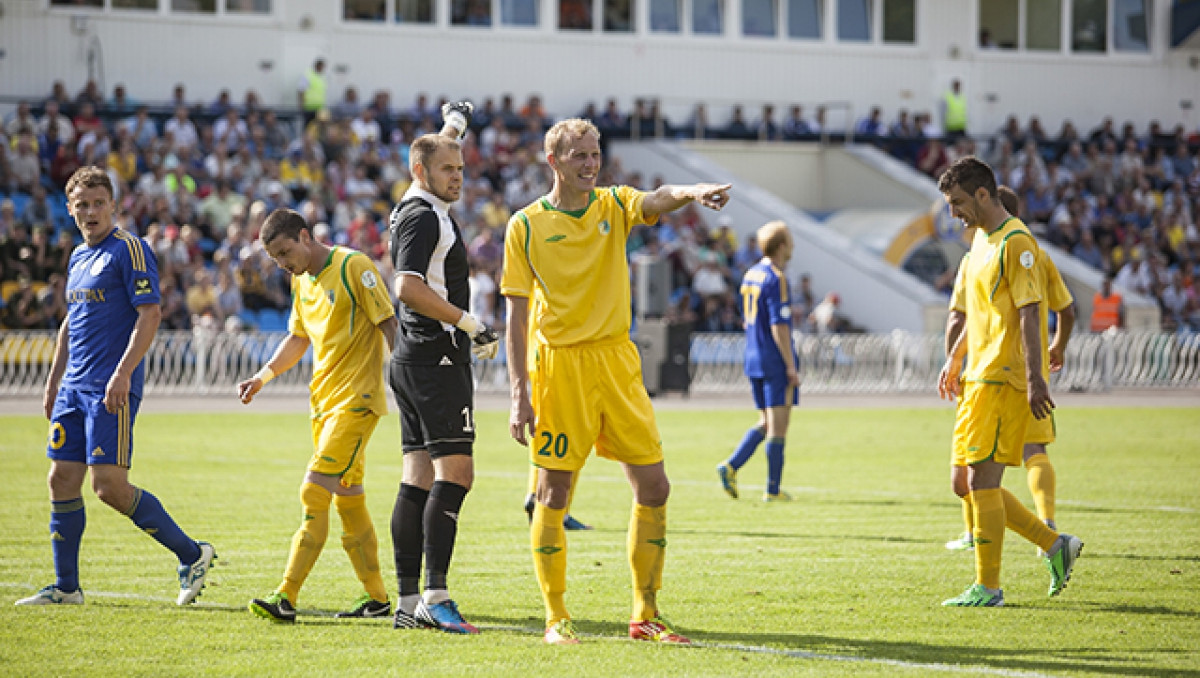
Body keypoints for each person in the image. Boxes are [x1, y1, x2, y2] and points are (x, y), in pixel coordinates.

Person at [502, 117, 731, 645]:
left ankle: (645, 615)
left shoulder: (612, 206)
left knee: (655, 486)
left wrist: (693, 192)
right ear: (554, 161)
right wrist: (520, 393)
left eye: (596, 153)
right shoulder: (527, 225)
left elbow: (657, 198)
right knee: (552, 493)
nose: (591, 164)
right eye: (580, 155)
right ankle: (556, 618)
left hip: (617, 363)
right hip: (560, 368)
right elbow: (515, 316)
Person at [16, 166, 215, 607]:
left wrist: (123, 373)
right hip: (73, 387)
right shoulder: (77, 258)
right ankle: (66, 587)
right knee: (61, 478)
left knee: (108, 487)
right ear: (70, 210)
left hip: (111, 387)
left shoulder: (130, 249)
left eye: (98, 203)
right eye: (81, 205)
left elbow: (151, 314)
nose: (90, 212)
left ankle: (192, 553)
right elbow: (70, 322)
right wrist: (53, 381)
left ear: (114, 206)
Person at [238, 207, 398, 623]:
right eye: (274, 258)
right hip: (323, 406)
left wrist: (407, 382)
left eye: (285, 252)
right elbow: (298, 337)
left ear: (305, 236)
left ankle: (286, 596)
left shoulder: (353, 267)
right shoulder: (301, 281)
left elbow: (388, 324)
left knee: (314, 490)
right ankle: (378, 599)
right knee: (349, 498)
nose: (282, 263)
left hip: (357, 402)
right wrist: (262, 376)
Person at [936, 157, 1082, 607]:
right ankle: (1055, 545)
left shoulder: (1017, 242)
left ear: (984, 194)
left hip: (1003, 377)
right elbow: (976, 313)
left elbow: (1030, 310)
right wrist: (955, 359)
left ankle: (989, 587)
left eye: (958, 202)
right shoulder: (980, 241)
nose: (954, 212)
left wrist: (1037, 378)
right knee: (965, 481)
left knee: (982, 480)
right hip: (976, 375)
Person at [385, 102, 499, 634]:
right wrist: (469, 323)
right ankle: (436, 595)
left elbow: (439, 144)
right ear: (420, 173)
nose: (458, 177)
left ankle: (408, 605)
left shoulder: (416, 198)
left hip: (412, 357)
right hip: (437, 356)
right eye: (449, 171)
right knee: (457, 475)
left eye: (461, 168)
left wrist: (454, 121)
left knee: (417, 477)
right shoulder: (425, 216)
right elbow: (405, 286)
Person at [716, 220, 799, 502]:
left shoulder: (751, 274)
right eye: (790, 240)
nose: (793, 246)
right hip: (773, 357)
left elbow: (746, 320)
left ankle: (731, 466)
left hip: (752, 355)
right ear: (782, 245)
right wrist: (790, 365)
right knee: (778, 426)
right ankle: (772, 490)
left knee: (765, 421)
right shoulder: (777, 277)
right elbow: (780, 325)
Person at [297, 57, 328, 128]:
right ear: (317, 66)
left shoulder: (322, 76)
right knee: (308, 127)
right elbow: (301, 90)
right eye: (321, 67)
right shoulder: (308, 75)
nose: (322, 69)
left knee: (319, 128)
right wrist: (301, 105)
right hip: (309, 107)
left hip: (319, 107)